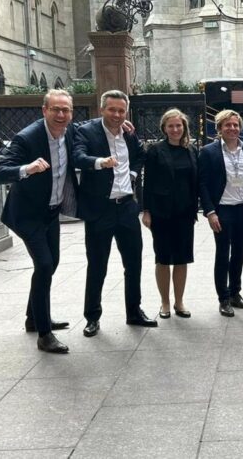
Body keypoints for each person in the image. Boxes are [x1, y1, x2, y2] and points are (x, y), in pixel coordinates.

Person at [0, 89, 78, 354]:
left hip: (51, 212)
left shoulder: (70, 132)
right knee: (43, 265)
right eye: (56, 109)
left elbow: (93, 126)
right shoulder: (27, 138)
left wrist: (122, 123)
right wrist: (26, 169)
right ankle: (44, 334)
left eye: (66, 110)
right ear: (44, 111)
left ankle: (34, 317)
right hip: (27, 215)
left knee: (51, 264)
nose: (61, 115)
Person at [73, 90, 157, 337]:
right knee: (97, 265)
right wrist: (101, 162)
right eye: (112, 109)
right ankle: (92, 317)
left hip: (127, 208)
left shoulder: (129, 133)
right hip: (100, 210)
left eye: (122, 110)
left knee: (134, 263)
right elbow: (78, 157)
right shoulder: (87, 131)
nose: (117, 115)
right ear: (102, 109)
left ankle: (134, 311)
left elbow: (140, 156)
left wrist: (132, 173)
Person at [198, 109, 243, 317]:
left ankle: (235, 293)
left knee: (239, 253)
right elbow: (202, 184)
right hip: (222, 209)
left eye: (235, 125)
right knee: (223, 254)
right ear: (220, 128)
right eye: (227, 125)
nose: (232, 128)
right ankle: (223, 298)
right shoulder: (208, 152)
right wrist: (210, 212)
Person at [143, 109, 200, 319]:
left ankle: (179, 301)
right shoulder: (155, 151)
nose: (175, 129)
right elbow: (146, 183)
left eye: (179, 125)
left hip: (185, 213)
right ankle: (165, 302)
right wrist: (146, 210)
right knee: (163, 258)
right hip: (161, 213)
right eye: (171, 126)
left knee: (182, 258)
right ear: (164, 128)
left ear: (184, 127)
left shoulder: (192, 151)